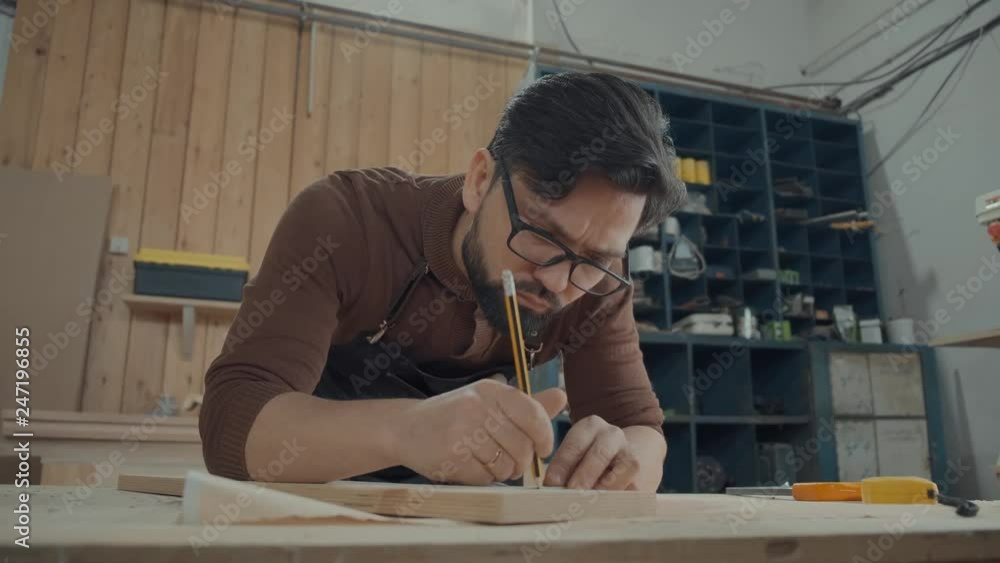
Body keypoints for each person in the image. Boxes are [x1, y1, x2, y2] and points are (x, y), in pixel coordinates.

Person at [200, 71, 687, 491]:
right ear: (479, 181)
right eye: (540, 234)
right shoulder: (346, 221)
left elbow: (639, 428)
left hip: (475, 524)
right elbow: (234, 421)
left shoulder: (598, 277)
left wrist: (623, 460)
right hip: (319, 507)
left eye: (595, 258)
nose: (559, 282)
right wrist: (404, 431)